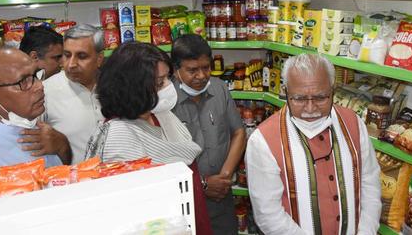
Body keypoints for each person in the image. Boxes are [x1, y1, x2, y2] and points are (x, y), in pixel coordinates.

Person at [245, 53, 381, 235]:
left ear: (333, 90)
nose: (310, 108)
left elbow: (370, 184)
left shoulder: (353, 123)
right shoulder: (262, 141)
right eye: (299, 99)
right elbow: (268, 214)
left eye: (320, 97)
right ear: (286, 92)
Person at [85, 42, 212, 235]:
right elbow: (131, 213)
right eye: (159, 83)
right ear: (134, 88)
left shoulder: (159, 114)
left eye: (167, 79)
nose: (169, 88)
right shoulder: (119, 136)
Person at [171, 34, 246, 235]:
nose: (202, 76)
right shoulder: (165, 100)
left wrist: (225, 177)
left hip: (221, 196)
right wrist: (202, 184)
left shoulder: (219, 88)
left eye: (206, 67)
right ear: (176, 70)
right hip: (185, 201)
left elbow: (238, 132)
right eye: (192, 70)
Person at [19, 24, 104, 165]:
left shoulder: (115, 86)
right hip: (71, 184)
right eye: (67, 55)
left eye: (81, 56)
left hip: (118, 180)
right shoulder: (44, 92)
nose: (71, 64)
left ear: (99, 59)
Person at [0, 48, 65, 169]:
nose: (39, 86)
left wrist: (62, 147)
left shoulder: (28, 123)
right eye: (23, 82)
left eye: (35, 75)